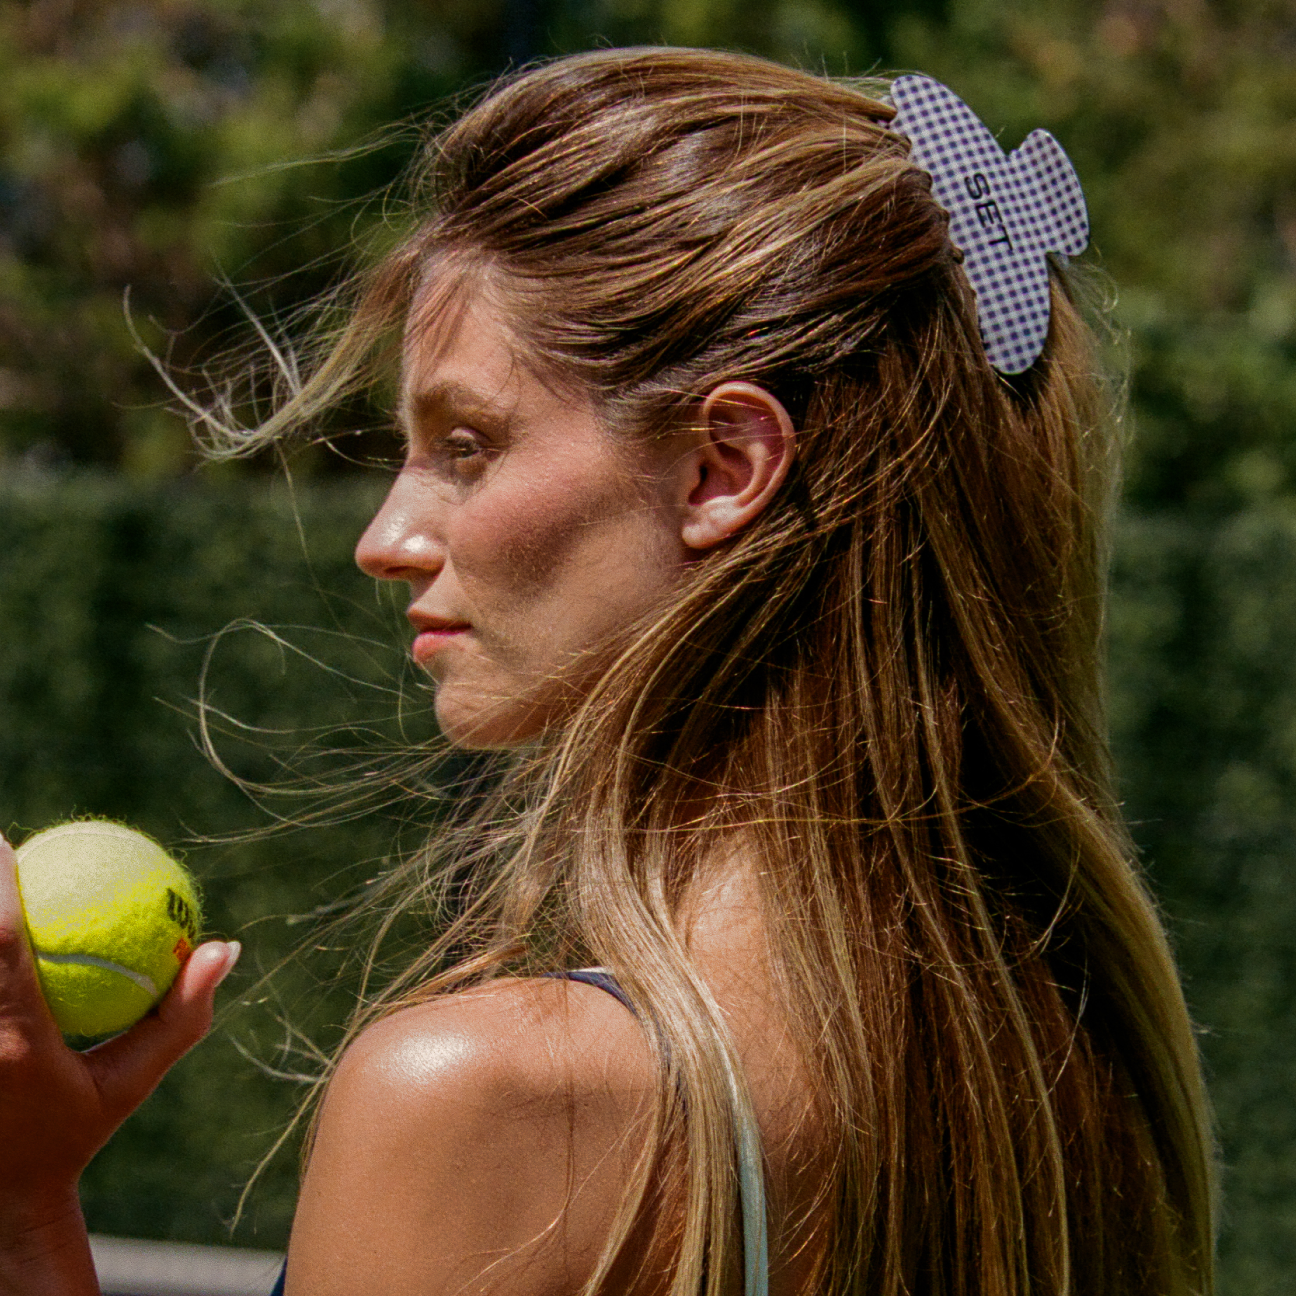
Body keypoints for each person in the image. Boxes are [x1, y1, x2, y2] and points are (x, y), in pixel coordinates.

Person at [0, 46, 1216, 1296]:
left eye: (465, 445)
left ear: (722, 469)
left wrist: (19, 1215)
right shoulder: (1081, 1065)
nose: (385, 539)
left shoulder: (488, 1098)